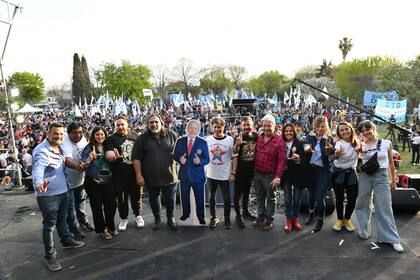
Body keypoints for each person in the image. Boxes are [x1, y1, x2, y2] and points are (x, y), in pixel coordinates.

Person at [32, 123, 84, 272]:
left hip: (63, 191)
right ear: (48, 134)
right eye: (56, 134)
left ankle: (66, 240)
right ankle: (50, 256)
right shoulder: (41, 151)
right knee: (49, 226)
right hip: (48, 196)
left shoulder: (60, 147)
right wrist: (38, 181)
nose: (59, 136)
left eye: (61, 134)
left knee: (62, 220)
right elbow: (38, 168)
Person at [355, 120, 404, 253]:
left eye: (367, 129)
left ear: (373, 128)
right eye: (362, 131)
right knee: (361, 204)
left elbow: (391, 164)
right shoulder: (361, 145)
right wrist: (359, 151)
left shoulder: (386, 143)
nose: (365, 132)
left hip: (381, 176)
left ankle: (391, 239)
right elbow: (358, 164)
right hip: (365, 176)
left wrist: (393, 180)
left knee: (384, 206)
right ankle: (364, 231)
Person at [132, 114, 179, 230]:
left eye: (156, 122)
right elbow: (136, 158)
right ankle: (157, 219)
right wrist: (138, 175)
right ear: (148, 124)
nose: (154, 124)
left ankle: (170, 218)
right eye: (151, 122)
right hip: (151, 176)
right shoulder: (142, 138)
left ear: (161, 122)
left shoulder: (171, 135)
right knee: (154, 198)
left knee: (171, 199)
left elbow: (180, 152)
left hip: (170, 175)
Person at [105, 116, 143, 231]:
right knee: (121, 198)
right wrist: (113, 157)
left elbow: (141, 155)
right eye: (118, 125)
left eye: (122, 124)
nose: (120, 127)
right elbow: (108, 155)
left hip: (134, 172)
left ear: (127, 125)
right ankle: (123, 218)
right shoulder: (111, 139)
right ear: (115, 126)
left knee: (137, 196)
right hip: (118, 175)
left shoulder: (135, 136)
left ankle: (138, 215)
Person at [81, 127, 118, 240]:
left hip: (107, 180)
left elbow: (113, 161)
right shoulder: (88, 148)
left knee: (111, 205)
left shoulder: (108, 146)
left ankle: (110, 226)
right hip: (93, 181)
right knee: (97, 207)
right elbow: (83, 166)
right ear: (93, 136)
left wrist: (116, 157)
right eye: (97, 134)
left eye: (102, 134)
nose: (100, 137)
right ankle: (102, 229)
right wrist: (89, 158)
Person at [173, 119, 210, 225]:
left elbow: (207, 159)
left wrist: (200, 162)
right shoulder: (180, 141)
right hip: (184, 176)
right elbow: (174, 155)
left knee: (199, 198)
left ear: (198, 130)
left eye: (195, 128)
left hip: (198, 176)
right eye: (191, 128)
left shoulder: (203, 142)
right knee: (184, 197)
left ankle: (201, 217)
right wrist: (179, 159)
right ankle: (185, 214)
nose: (193, 130)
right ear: (186, 129)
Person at [253, 114, 286, 231]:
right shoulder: (259, 137)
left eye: (269, 125)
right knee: (259, 196)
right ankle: (260, 216)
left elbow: (282, 160)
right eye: (265, 125)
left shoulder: (279, 140)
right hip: (257, 173)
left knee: (270, 198)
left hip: (270, 174)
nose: (266, 128)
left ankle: (269, 219)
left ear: (274, 127)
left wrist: (277, 177)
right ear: (262, 126)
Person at [61, 122, 94, 238]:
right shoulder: (65, 142)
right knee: (70, 207)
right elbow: (67, 160)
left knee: (81, 202)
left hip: (80, 180)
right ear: (69, 133)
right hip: (67, 181)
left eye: (80, 132)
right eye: (75, 133)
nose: (78, 135)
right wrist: (76, 166)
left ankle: (83, 222)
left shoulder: (82, 138)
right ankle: (73, 229)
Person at [304, 116, 335, 232]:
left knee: (319, 196)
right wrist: (307, 148)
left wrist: (330, 150)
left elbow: (332, 156)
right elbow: (306, 145)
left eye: (323, 126)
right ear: (315, 127)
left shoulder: (329, 139)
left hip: (323, 171)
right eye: (318, 126)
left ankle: (320, 219)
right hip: (310, 170)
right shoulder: (310, 137)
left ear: (326, 127)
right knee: (311, 196)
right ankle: (311, 213)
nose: (320, 129)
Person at [206, 117, 236, 229]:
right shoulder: (208, 139)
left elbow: (234, 157)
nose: (217, 129)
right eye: (215, 127)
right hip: (211, 174)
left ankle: (227, 218)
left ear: (224, 126)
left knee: (227, 198)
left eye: (219, 127)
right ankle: (213, 218)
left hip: (224, 175)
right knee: (211, 197)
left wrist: (233, 173)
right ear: (212, 127)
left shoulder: (230, 139)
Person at [331, 122, 360, 232]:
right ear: (339, 133)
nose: (344, 131)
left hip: (351, 173)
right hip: (338, 173)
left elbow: (361, 149)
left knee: (352, 198)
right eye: (341, 130)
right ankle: (339, 219)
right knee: (339, 198)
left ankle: (347, 219)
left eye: (346, 129)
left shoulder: (357, 141)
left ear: (351, 129)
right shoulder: (339, 143)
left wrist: (359, 148)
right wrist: (337, 154)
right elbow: (336, 153)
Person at [281, 123, 308, 233]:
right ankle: (288, 220)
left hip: (298, 175)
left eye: (290, 131)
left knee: (296, 199)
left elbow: (303, 160)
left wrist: (297, 159)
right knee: (287, 199)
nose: (288, 133)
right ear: (283, 132)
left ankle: (295, 220)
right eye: (286, 131)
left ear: (294, 132)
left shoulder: (299, 143)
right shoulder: (280, 142)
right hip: (286, 175)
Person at [232, 116, 258, 228]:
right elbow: (233, 152)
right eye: (244, 125)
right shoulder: (238, 137)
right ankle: (238, 216)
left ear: (252, 125)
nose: (247, 127)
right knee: (238, 194)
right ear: (241, 126)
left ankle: (245, 211)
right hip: (239, 170)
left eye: (248, 124)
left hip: (250, 169)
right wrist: (237, 144)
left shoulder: (256, 136)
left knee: (247, 192)